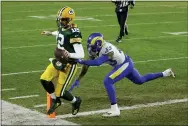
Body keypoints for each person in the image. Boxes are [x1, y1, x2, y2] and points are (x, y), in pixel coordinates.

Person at [69, 32, 175, 117]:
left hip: (125, 64)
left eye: (91, 46)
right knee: (140, 80)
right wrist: (79, 79)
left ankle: (114, 109)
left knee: (108, 81)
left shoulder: (107, 48)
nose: (90, 48)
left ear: (98, 44)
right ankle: (165, 73)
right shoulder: (99, 48)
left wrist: (80, 61)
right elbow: (87, 65)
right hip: (124, 63)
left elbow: (97, 63)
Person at [40, 6, 85, 115]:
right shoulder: (63, 28)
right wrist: (50, 33)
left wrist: (68, 54)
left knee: (60, 92)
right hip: (59, 61)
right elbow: (60, 32)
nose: (61, 21)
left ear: (70, 20)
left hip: (69, 65)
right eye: (60, 19)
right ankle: (56, 100)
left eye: (64, 19)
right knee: (44, 79)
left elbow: (81, 54)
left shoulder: (74, 33)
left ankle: (76, 101)